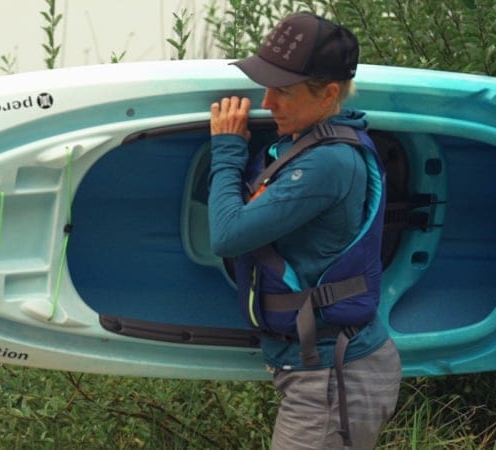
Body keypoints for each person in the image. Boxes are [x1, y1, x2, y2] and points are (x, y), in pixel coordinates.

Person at [208, 12, 402, 450]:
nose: (266, 101)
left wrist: (226, 149)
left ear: (329, 93)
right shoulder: (302, 145)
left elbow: (226, 234)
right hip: (321, 370)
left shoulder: (328, 162)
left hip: (334, 378)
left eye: (282, 90)